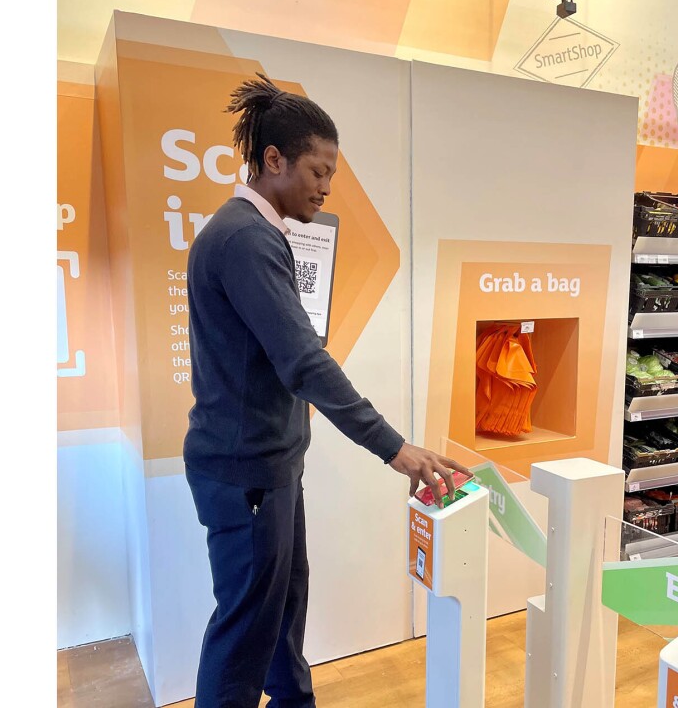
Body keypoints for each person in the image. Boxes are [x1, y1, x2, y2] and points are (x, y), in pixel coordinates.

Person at [183, 74, 471, 708]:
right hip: (246, 475)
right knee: (243, 635)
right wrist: (396, 448)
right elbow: (304, 363)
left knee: (283, 612)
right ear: (273, 160)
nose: (325, 186)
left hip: (270, 469)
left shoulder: (256, 235)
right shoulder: (243, 239)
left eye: (331, 175)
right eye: (317, 170)